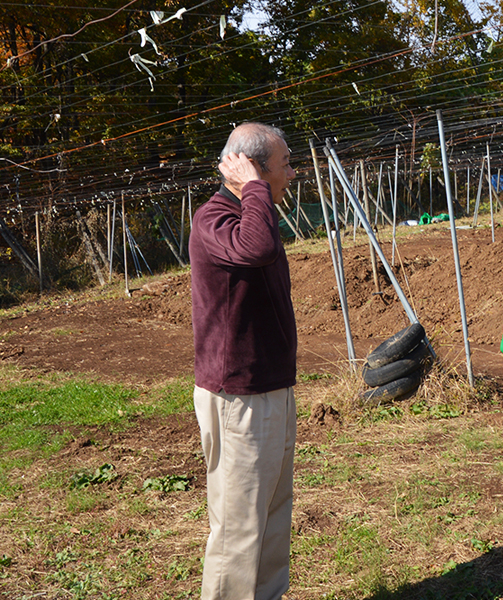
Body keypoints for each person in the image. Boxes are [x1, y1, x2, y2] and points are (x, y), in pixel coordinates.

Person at [189, 122, 297, 600]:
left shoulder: (255, 210)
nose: (292, 174)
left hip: (270, 385)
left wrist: (256, 190)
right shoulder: (214, 217)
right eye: (285, 164)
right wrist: (255, 186)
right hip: (238, 395)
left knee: (272, 514)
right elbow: (255, 249)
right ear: (251, 168)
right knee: (238, 528)